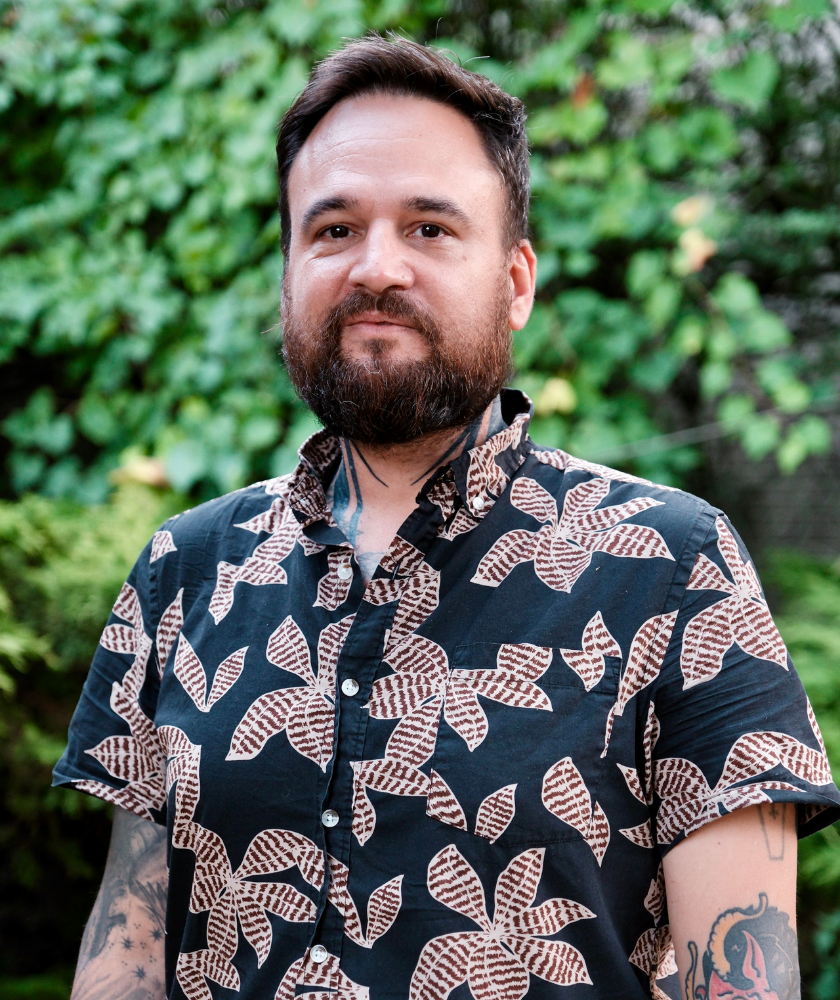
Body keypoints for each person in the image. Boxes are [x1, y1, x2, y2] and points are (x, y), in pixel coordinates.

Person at [54, 34, 840, 1000]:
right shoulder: (185, 569)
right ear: (290, 271)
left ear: (515, 284)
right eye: (332, 229)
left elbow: (747, 979)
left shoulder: (673, 569)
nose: (375, 267)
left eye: (430, 228)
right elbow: (127, 954)